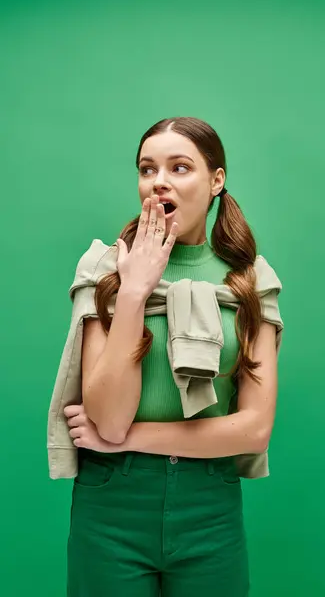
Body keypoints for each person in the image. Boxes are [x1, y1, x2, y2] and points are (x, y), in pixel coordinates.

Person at [62, 116, 283, 597]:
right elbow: (109, 418)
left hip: (210, 510)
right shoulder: (105, 269)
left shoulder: (250, 280)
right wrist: (135, 290)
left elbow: (254, 428)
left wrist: (125, 441)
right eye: (147, 168)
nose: (158, 180)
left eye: (179, 167)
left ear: (216, 181)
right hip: (111, 509)